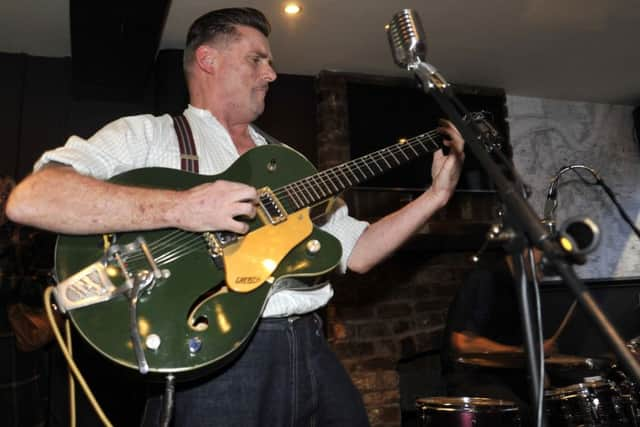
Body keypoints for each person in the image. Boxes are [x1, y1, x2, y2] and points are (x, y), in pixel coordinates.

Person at [7, 8, 465, 427]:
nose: (272, 73)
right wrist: (182, 207)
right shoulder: (146, 135)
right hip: (217, 361)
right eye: (256, 60)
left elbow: (359, 252)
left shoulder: (286, 162)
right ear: (208, 60)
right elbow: (33, 199)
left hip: (311, 350)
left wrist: (435, 197)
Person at [440, 248, 555, 420]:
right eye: (539, 265)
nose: (541, 274)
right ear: (523, 249)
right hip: (476, 380)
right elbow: (463, 342)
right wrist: (525, 352)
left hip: (510, 377)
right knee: (526, 414)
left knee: (556, 404)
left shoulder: (522, 286)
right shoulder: (486, 278)